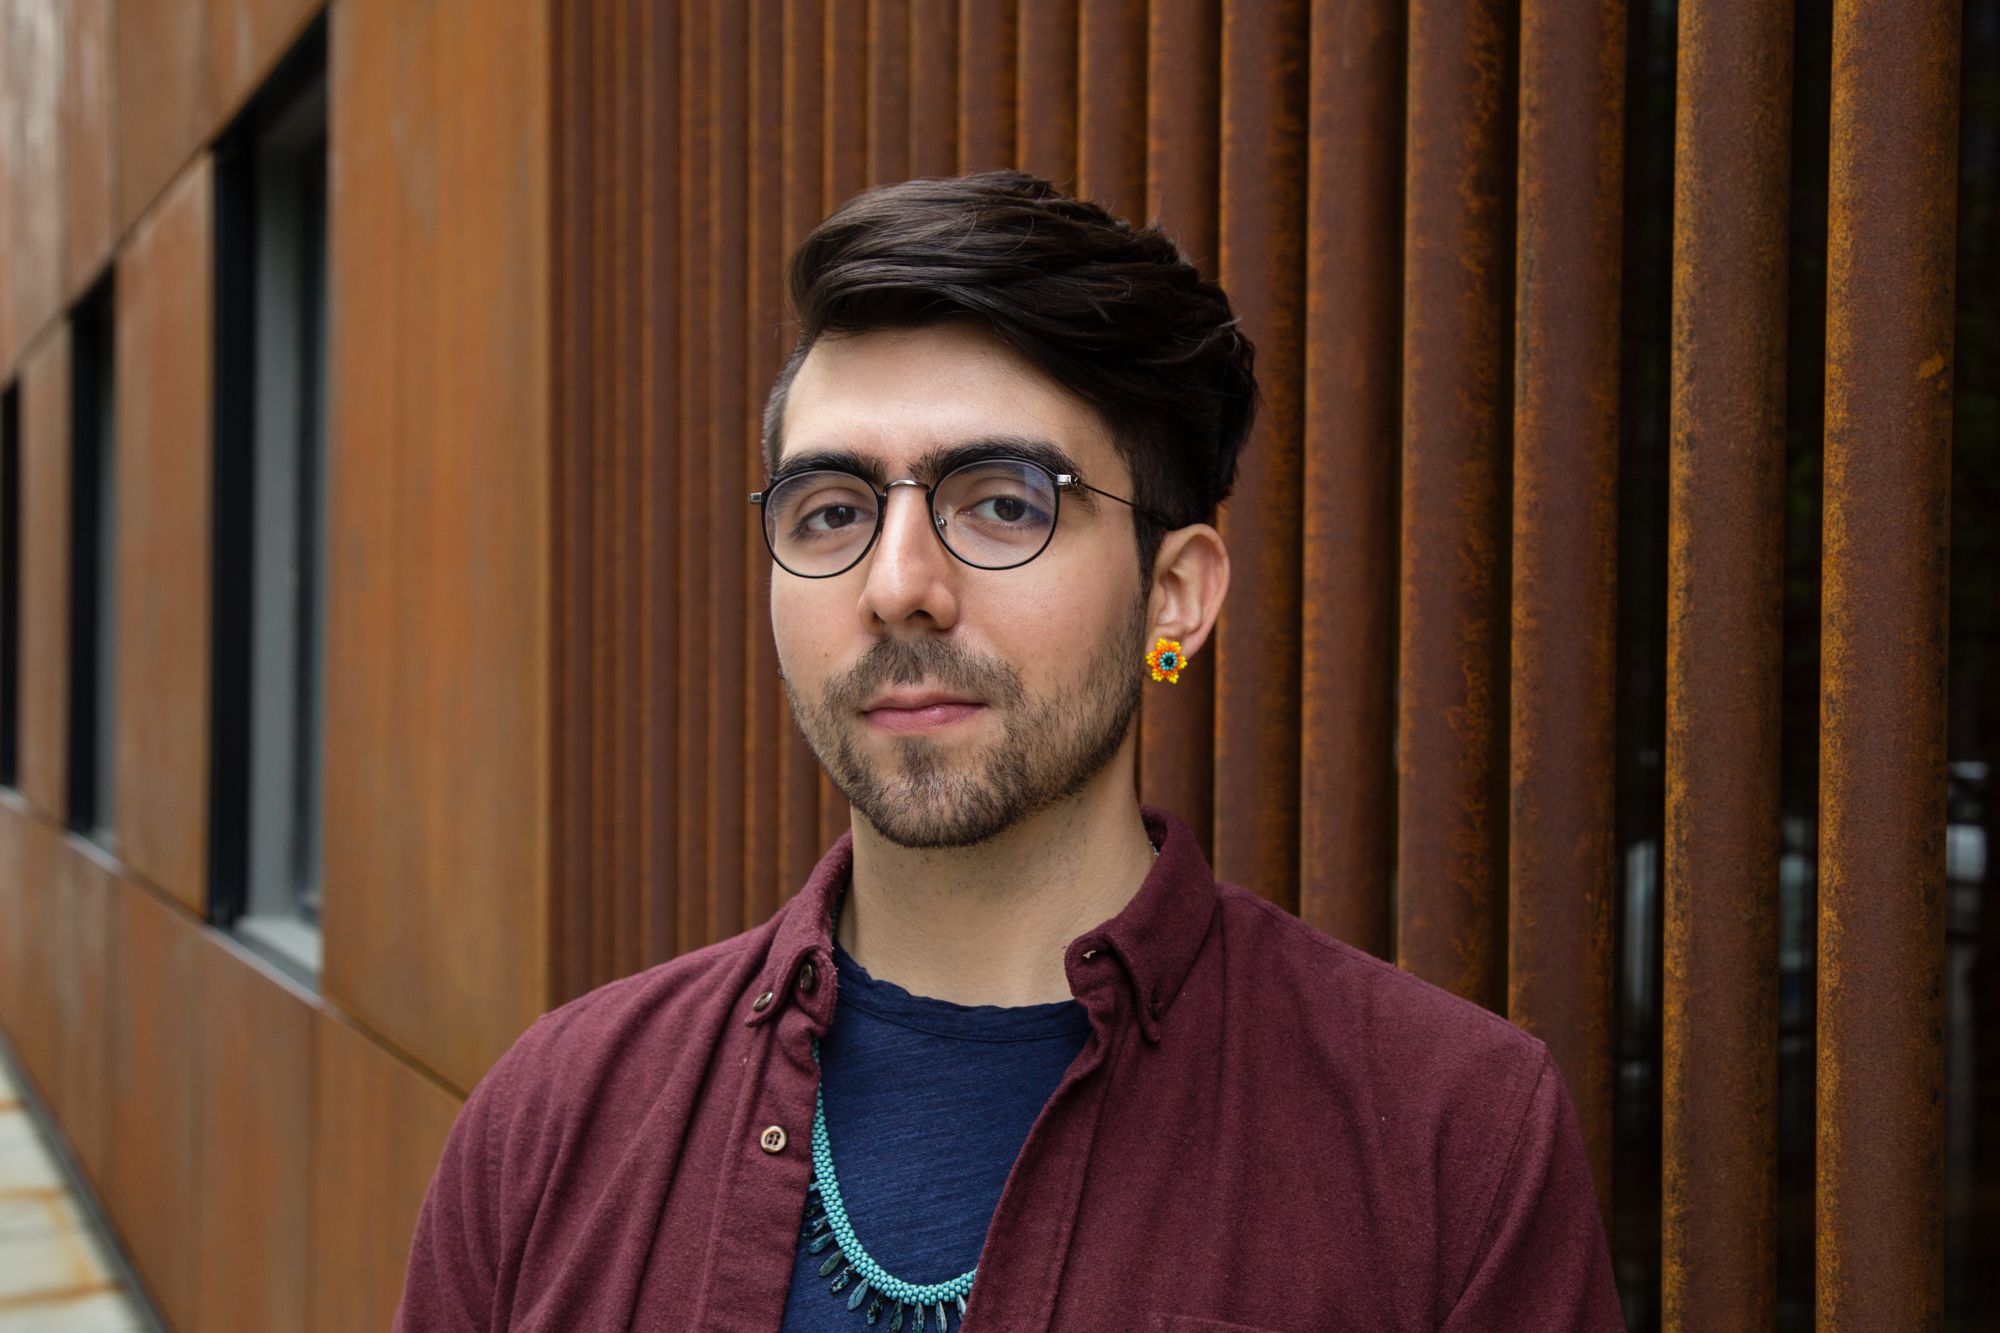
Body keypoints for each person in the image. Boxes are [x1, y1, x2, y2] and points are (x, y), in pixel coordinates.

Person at [395, 172, 1622, 1333]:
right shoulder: (551, 1118)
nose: (896, 587)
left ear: (1174, 596)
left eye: (1001, 502)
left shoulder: (1447, 1139)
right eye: (831, 510)